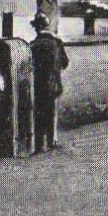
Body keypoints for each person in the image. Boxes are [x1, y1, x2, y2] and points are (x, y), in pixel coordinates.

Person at [30, 11, 69, 153]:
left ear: (36, 29)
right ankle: (52, 141)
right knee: (52, 113)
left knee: (39, 113)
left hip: (38, 86)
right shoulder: (57, 43)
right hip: (53, 85)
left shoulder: (32, 45)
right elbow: (65, 63)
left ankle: (39, 144)